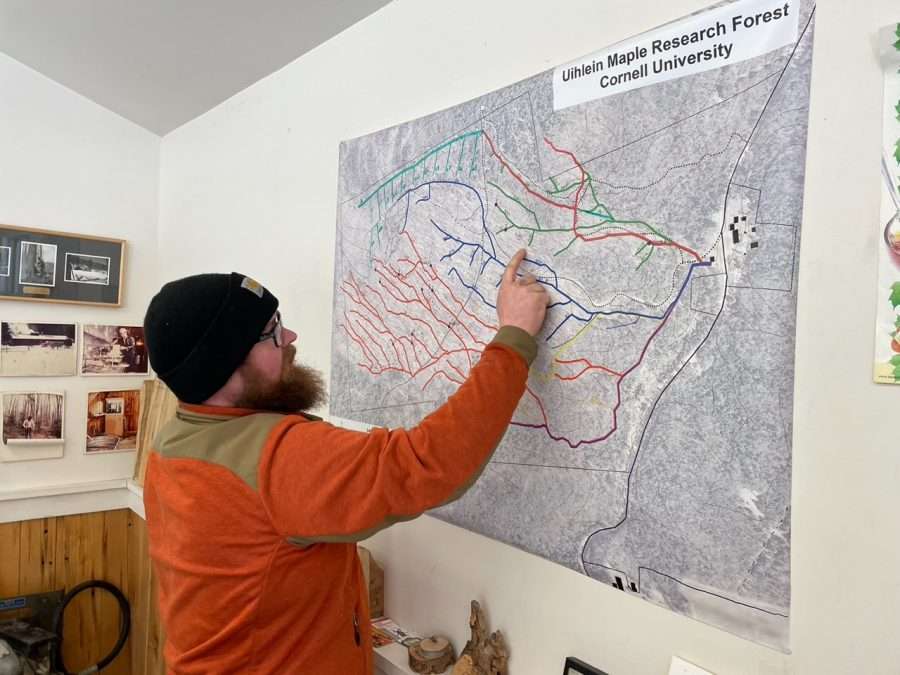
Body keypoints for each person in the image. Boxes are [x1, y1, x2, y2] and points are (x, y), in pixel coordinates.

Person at [142, 250, 548, 674]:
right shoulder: (276, 459)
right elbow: (431, 461)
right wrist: (514, 336)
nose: (291, 337)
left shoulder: (172, 443)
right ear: (223, 364)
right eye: (271, 331)